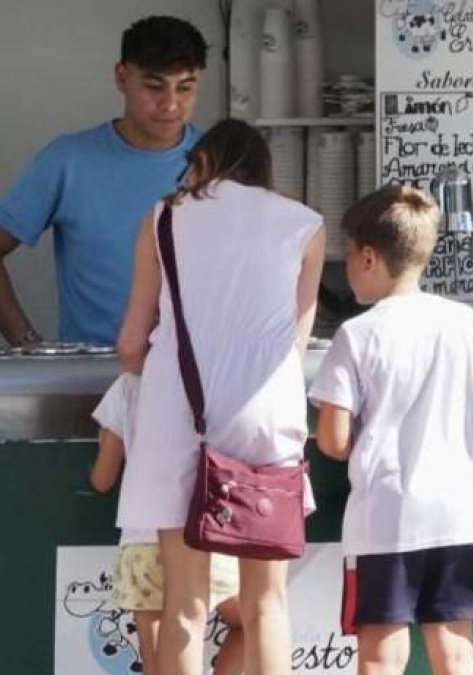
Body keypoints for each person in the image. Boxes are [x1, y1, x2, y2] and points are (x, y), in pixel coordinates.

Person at [114, 118, 326, 675]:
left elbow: (132, 342)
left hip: (177, 417)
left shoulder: (163, 218)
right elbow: (295, 348)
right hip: (266, 418)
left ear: (204, 164)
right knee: (266, 604)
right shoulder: (305, 225)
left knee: (184, 604)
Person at [307, 185, 473, 675]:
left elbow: (334, 441)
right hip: (458, 513)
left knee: (382, 656)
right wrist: (470, 429)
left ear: (368, 257)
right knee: (454, 651)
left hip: (385, 517)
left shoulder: (356, 335)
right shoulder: (463, 322)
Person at [0, 16, 208, 347]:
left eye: (185, 87)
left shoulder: (221, 164)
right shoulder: (68, 161)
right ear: (122, 77)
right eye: (154, 85)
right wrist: (29, 345)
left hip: (201, 377)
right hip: (94, 380)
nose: (171, 103)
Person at [89, 372, 245, 674]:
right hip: (207, 536)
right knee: (253, 621)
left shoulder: (129, 385)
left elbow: (102, 479)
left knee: (158, 664)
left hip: (143, 542)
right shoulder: (218, 375)